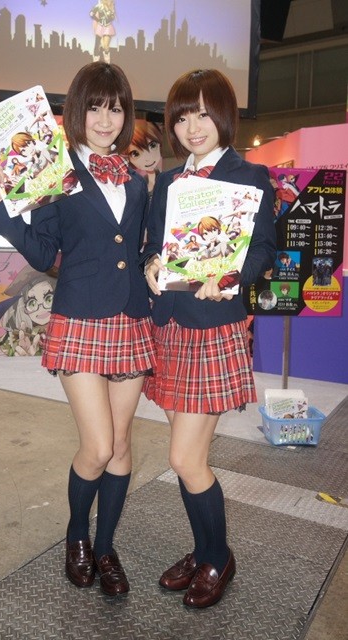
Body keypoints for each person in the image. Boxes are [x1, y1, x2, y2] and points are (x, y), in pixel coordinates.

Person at [0, 62, 155, 597]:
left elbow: (138, 248)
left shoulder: (136, 178)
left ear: (126, 115)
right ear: (77, 111)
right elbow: (43, 252)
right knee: (97, 446)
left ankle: (106, 547)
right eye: (95, 107)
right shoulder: (54, 172)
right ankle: (77, 535)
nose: (105, 119)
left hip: (131, 317)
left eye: (116, 108)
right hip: (80, 319)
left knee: (121, 444)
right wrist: (1, 202)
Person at [143, 69, 276, 608]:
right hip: (171, 327)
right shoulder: (168, 182)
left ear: (223, 114)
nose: (192, 127)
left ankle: (218, 557)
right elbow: (155, 244)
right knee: (189, 455)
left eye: (202, 113)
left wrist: (231, 277)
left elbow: (263, 249)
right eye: (181, 117)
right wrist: (152, 264)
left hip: (214, 328)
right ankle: (203, 551)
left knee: (184, 458)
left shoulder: (250, 176)